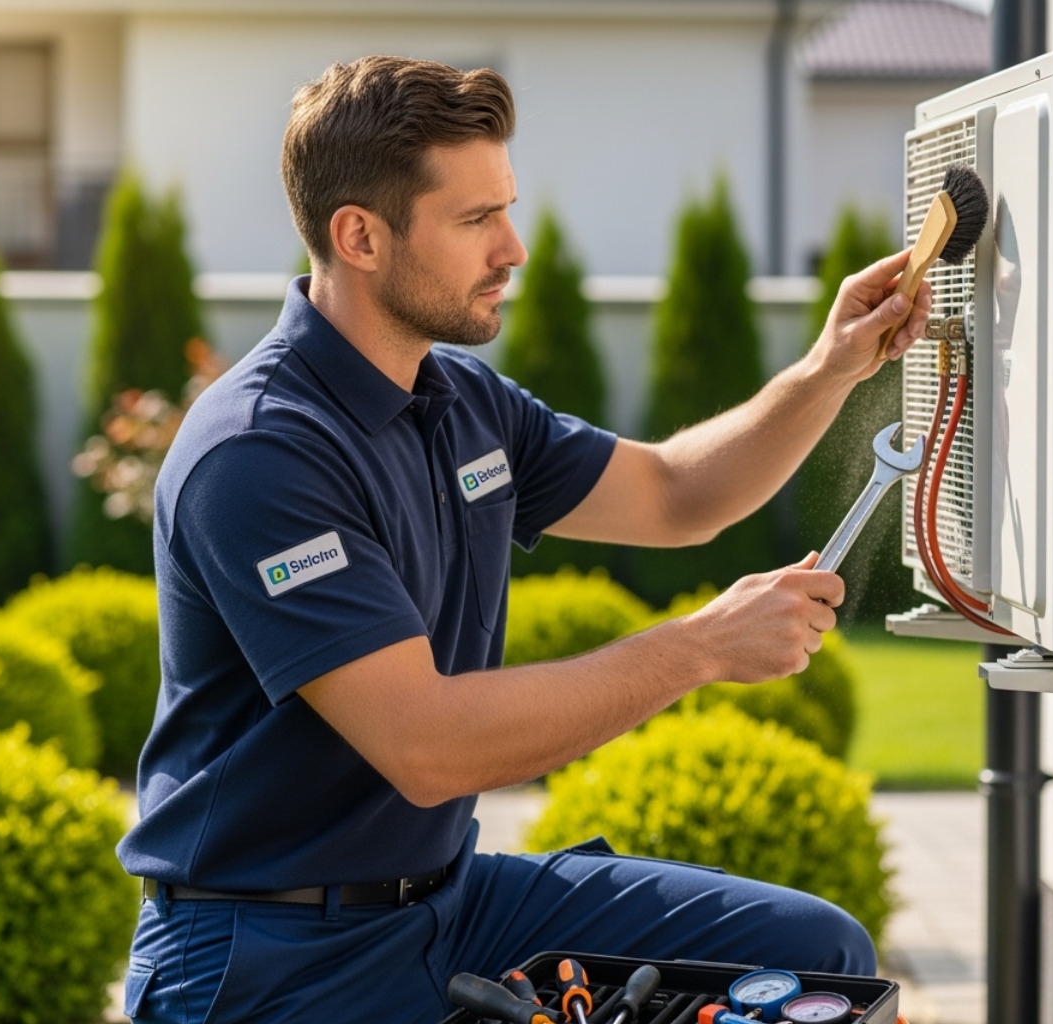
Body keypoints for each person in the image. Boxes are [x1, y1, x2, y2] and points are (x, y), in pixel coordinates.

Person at [118, 55, 931, 1024]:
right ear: (361, 237)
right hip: (265, 954)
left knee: (813, 954)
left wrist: (829, 367)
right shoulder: (260, 453)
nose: (515, 247)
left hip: (451, 904)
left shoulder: (461, 400)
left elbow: (677, 493)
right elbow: (427, 745)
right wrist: (702, 646)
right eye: (475, 220)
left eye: (507, 206)